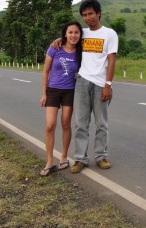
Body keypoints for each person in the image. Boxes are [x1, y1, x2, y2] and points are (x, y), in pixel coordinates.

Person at [54, 0, 118, 174]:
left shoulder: (109, 34)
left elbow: (112, 61)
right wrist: (58, 40)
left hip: (100, 84)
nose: (88, 17)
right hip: (81, 82)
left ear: (98, 13)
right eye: (84, 15)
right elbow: (69, 36)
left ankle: (101, 156)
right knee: (80, 123)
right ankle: (80, 159)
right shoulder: (82, 33)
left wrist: (108, 85)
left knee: (101, 124)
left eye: (90, 14)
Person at [39, 21, 83, 176]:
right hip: (52, 91)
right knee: (50, 125)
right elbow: (45, 71)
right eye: (70, 32)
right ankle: (50, 161)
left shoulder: (80, 51)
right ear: (65, 33)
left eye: (76, 32)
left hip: (70, 91)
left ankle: (64, 157)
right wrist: (44, 93)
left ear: (80, 35)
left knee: (66, 123)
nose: (73, 35)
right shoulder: (55, 48)